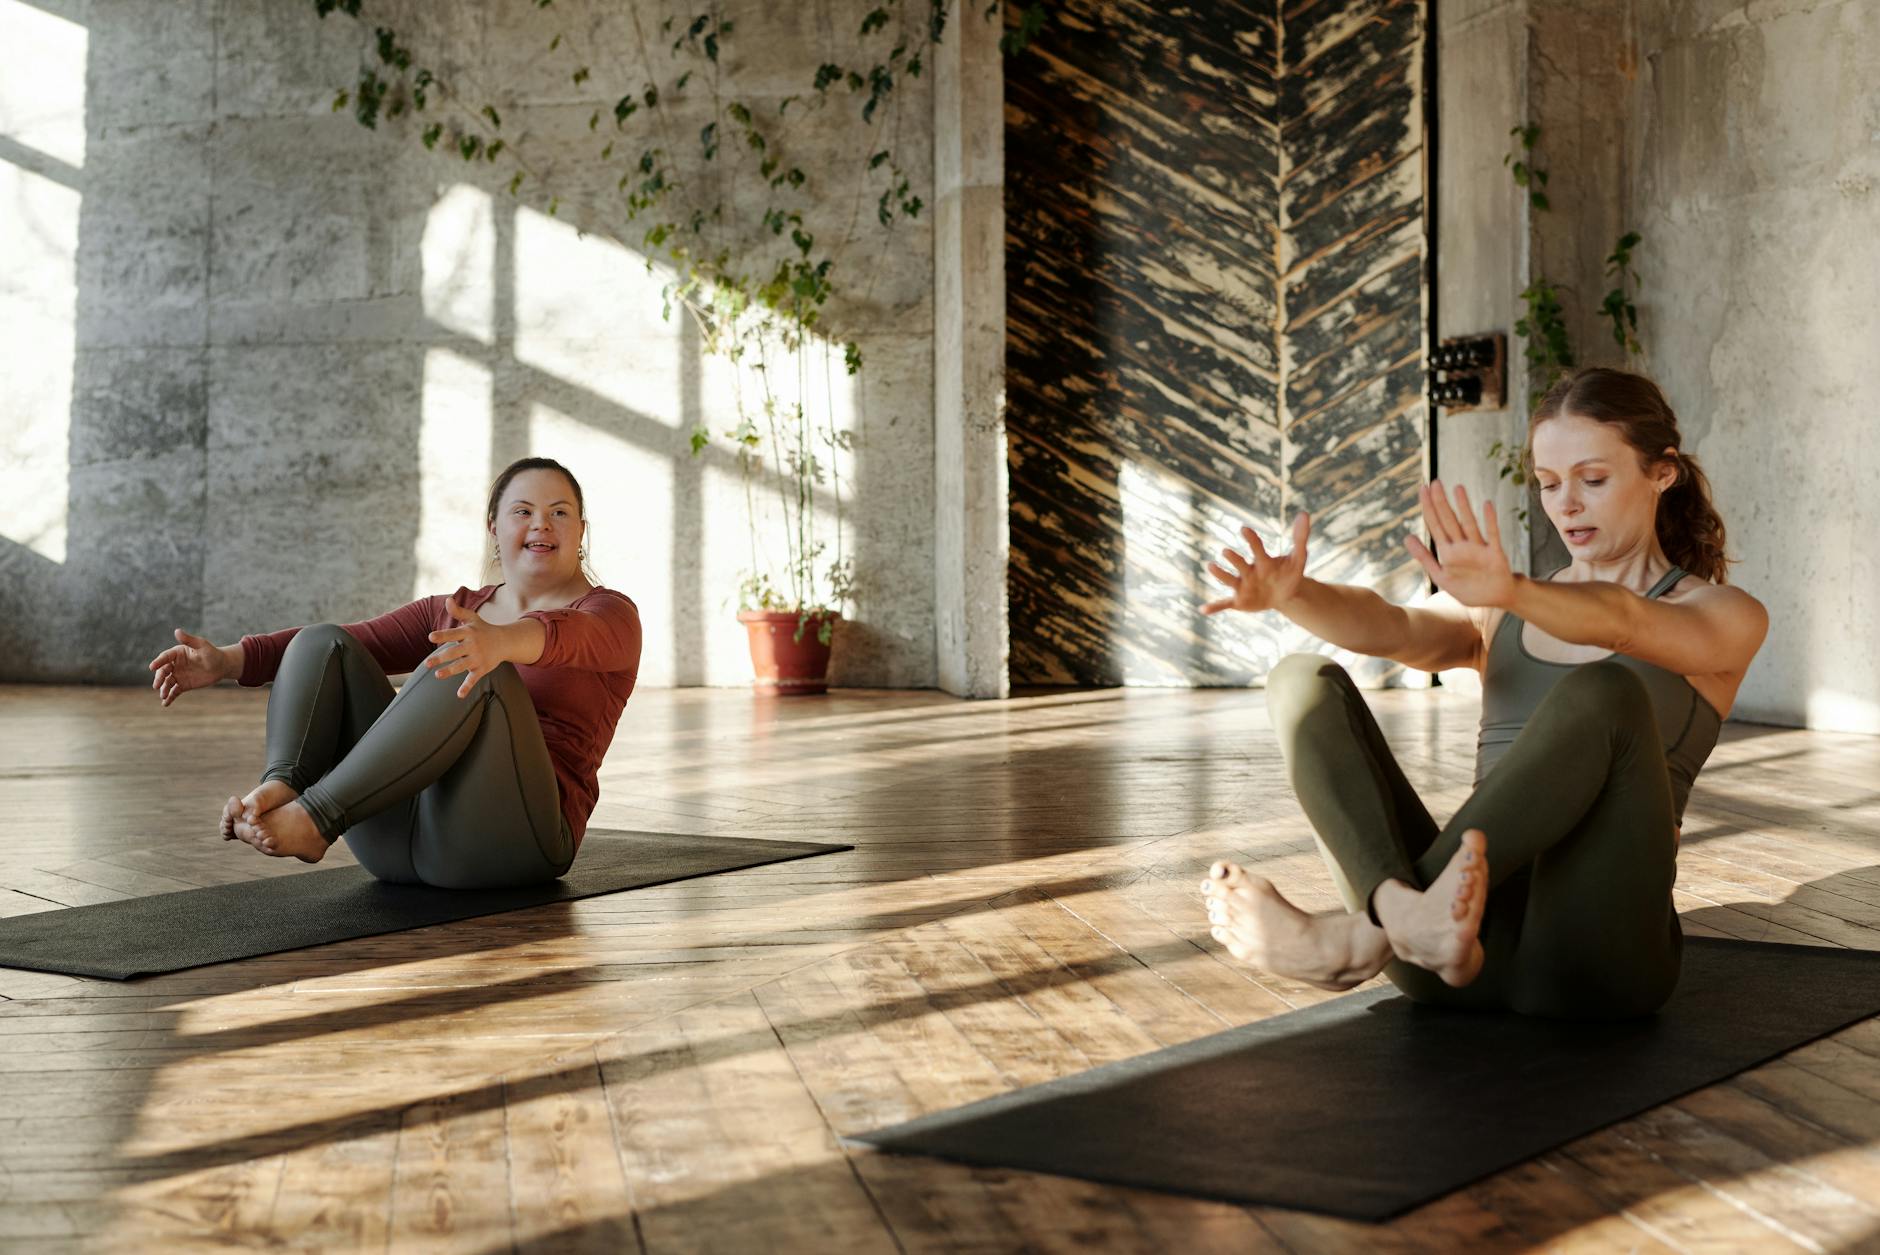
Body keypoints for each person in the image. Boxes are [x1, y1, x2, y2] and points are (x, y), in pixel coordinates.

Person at [1198, 368, 1768, 1017]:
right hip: (1451, 950)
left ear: (1662, 472)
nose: (1567, 505)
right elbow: (1393, 625)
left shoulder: (1723, 613)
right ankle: (1402, 913)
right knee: (1300, 680)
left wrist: (1517, 591)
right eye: (1550, 484)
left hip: (1597, 963)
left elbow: (1628, 621)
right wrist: (1294, 594)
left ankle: (1365, 936)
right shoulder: (1502, 610)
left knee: (1606, 689)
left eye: (1594, 478)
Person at [146, 457, 642, 889]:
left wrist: (499, 642)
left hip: (514, 845)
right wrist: (226, 661)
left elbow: (563, 635)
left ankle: (318, 817)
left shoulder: (612, 615)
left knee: (474, 665)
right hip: (397, 846)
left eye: (559, 513)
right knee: (324, 642)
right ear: (495, 528)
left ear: (580, 531)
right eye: (523, 512)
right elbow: (333, 650)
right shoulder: (452, 611)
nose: (542, 524)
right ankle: (285, 785)